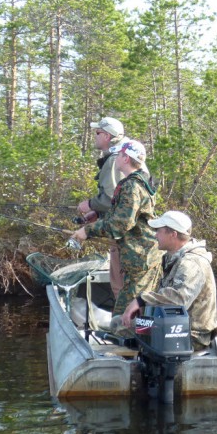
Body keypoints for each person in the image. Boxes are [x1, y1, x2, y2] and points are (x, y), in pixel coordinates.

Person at [72, 140, 162, 316]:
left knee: (126, 314)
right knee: (132, 310)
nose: (116, 158)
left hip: (139, 257)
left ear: (126, 159)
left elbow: (121, 224)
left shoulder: (132, 186)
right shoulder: (140, 181)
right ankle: (132, 337)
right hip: (140, 254)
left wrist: (87, 231)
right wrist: (97, 216)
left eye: (119, 155)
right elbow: (127, 216)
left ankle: (130, 339)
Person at [121, 211, 217, 350]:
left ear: (173, 234)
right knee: (126, 324)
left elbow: (179, 300)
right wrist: (146, 310)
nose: (155, 235)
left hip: (190, 335)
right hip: (172, 327)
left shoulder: (192, 263)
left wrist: (141, 300)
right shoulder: (174, 258)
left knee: (118, 327)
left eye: (159, 231)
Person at [76, 117, 128, 298]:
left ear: (106, 136)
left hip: (123, 237)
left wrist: (89, 204)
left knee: (120, 287)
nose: (95, 136)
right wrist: (97, 212)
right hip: (126, 234)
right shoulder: (120, 156)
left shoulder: (115, 160)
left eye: (97, 133)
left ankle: (125, 325)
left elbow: (112, 199)